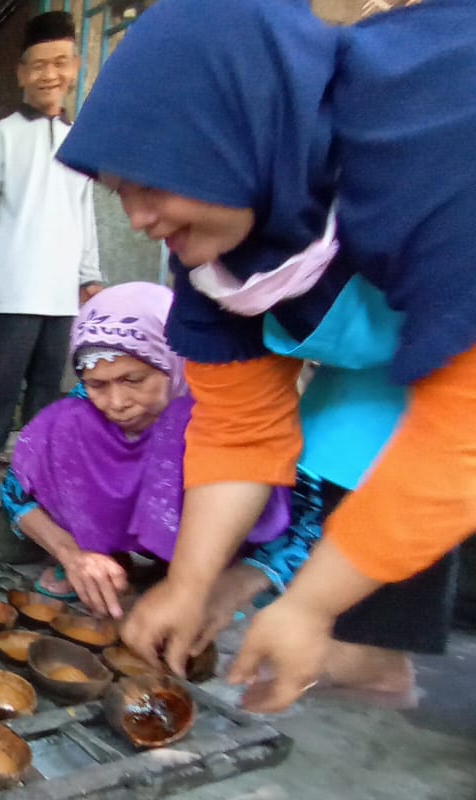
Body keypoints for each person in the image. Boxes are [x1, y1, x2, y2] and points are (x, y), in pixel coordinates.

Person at [55, 0, 476, 712]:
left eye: (150, 180)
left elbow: (461, 436)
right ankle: (370, 653)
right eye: (120, 193)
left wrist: (310, 607)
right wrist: (187, 586)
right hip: (414, 346)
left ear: (227, 132)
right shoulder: (220, 249)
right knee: (344, 443)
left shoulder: (432, 131)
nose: (137, 219)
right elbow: (241, 431)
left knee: (430, 472)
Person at [1, 282, 288, 618]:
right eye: (97, 384)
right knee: (66, 422)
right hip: (91, 546)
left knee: (181, 425)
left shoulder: (222, 405)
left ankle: (205, 571)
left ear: (171, 362)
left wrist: (240, 578)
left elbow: (303, 512)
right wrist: (73, 555)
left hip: (207, 544)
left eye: (134, 380)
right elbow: (14, 494)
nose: (117, 403)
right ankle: (105, 557)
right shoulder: (82, 413)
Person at [0, 11, 103, 469]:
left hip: (62, 295)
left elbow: (86, 216)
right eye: (38, 65)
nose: (49, 74)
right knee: (0, 389)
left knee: (48, 393)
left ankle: (37, 476)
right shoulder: (0, 138)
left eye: (60, 62)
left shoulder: (81, 141)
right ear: (22, 72)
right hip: (12, 291)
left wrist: (90, 278)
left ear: (75, 67)